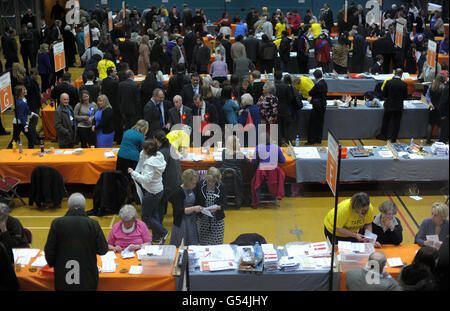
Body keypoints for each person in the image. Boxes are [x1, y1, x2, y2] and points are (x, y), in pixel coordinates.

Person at [44, 193, 108, 291]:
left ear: (69, 206)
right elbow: (103, 249)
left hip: (63, 273)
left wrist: (53, 264)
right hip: (87, 275)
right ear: (84, 206)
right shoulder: (93, 224)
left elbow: (49, 250)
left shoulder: (57, 223)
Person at [129, 139, 168, 244]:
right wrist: (144, 151)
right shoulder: (158, 156)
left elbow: (146, 179)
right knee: (154, 213)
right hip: (158, 190)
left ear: (146, 151)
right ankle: (156, 236)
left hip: (152, 192)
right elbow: (143, 156)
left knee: (145, 216)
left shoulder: (149, 165)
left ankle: (163, 232)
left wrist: (133, 173)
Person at [195, 167, 227, 245]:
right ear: (206, 177)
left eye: (214, 181)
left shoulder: (221, 186)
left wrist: (217, 208)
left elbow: (225, 203)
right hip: (203, 219)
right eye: (209, 181)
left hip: (217, 220)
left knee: (217, 245)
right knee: (203, 244)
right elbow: (196, 201)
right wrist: (199, 208)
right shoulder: (199, 185)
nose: (211, 183)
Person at [377, 68, 408, 143]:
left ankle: (383, 136)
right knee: (396, 123)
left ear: (394, 74)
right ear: (401, 74)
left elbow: (384, 95)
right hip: (398, 106)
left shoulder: (388, 82)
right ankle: (394, 138)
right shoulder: (404, 84)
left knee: (386, 121)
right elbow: (405, 97)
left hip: (389, 105)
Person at [7, 85, 38, 149]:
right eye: (24, 90)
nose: (26, 90)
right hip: (20, 123)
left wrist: (32, 113)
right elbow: (21, 115)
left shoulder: (22, 100)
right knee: (30, 138)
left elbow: (25, 110)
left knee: (15, 138)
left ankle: (9, 148)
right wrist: (25, 125)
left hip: (19, 122)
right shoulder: (21, 103)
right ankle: (30, 151)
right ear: (21, 92)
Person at [306, 69, 328, 145]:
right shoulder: (324, 83)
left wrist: (311, 100)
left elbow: (311, 92)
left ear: (315, 77)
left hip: (317, 106)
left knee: (312, 124)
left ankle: (311, 141)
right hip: (323, 106)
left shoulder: (318, 84)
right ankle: (318, 139)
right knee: (320, 124)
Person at [425, 73, 446, 144]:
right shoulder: (445, 88)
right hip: (441, 109)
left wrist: (430, 103)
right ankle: (440, 142)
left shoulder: (431, 86)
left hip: (432, 107)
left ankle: (428, 140)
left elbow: (427, 96)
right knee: (440, 126)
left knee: (430, 124)